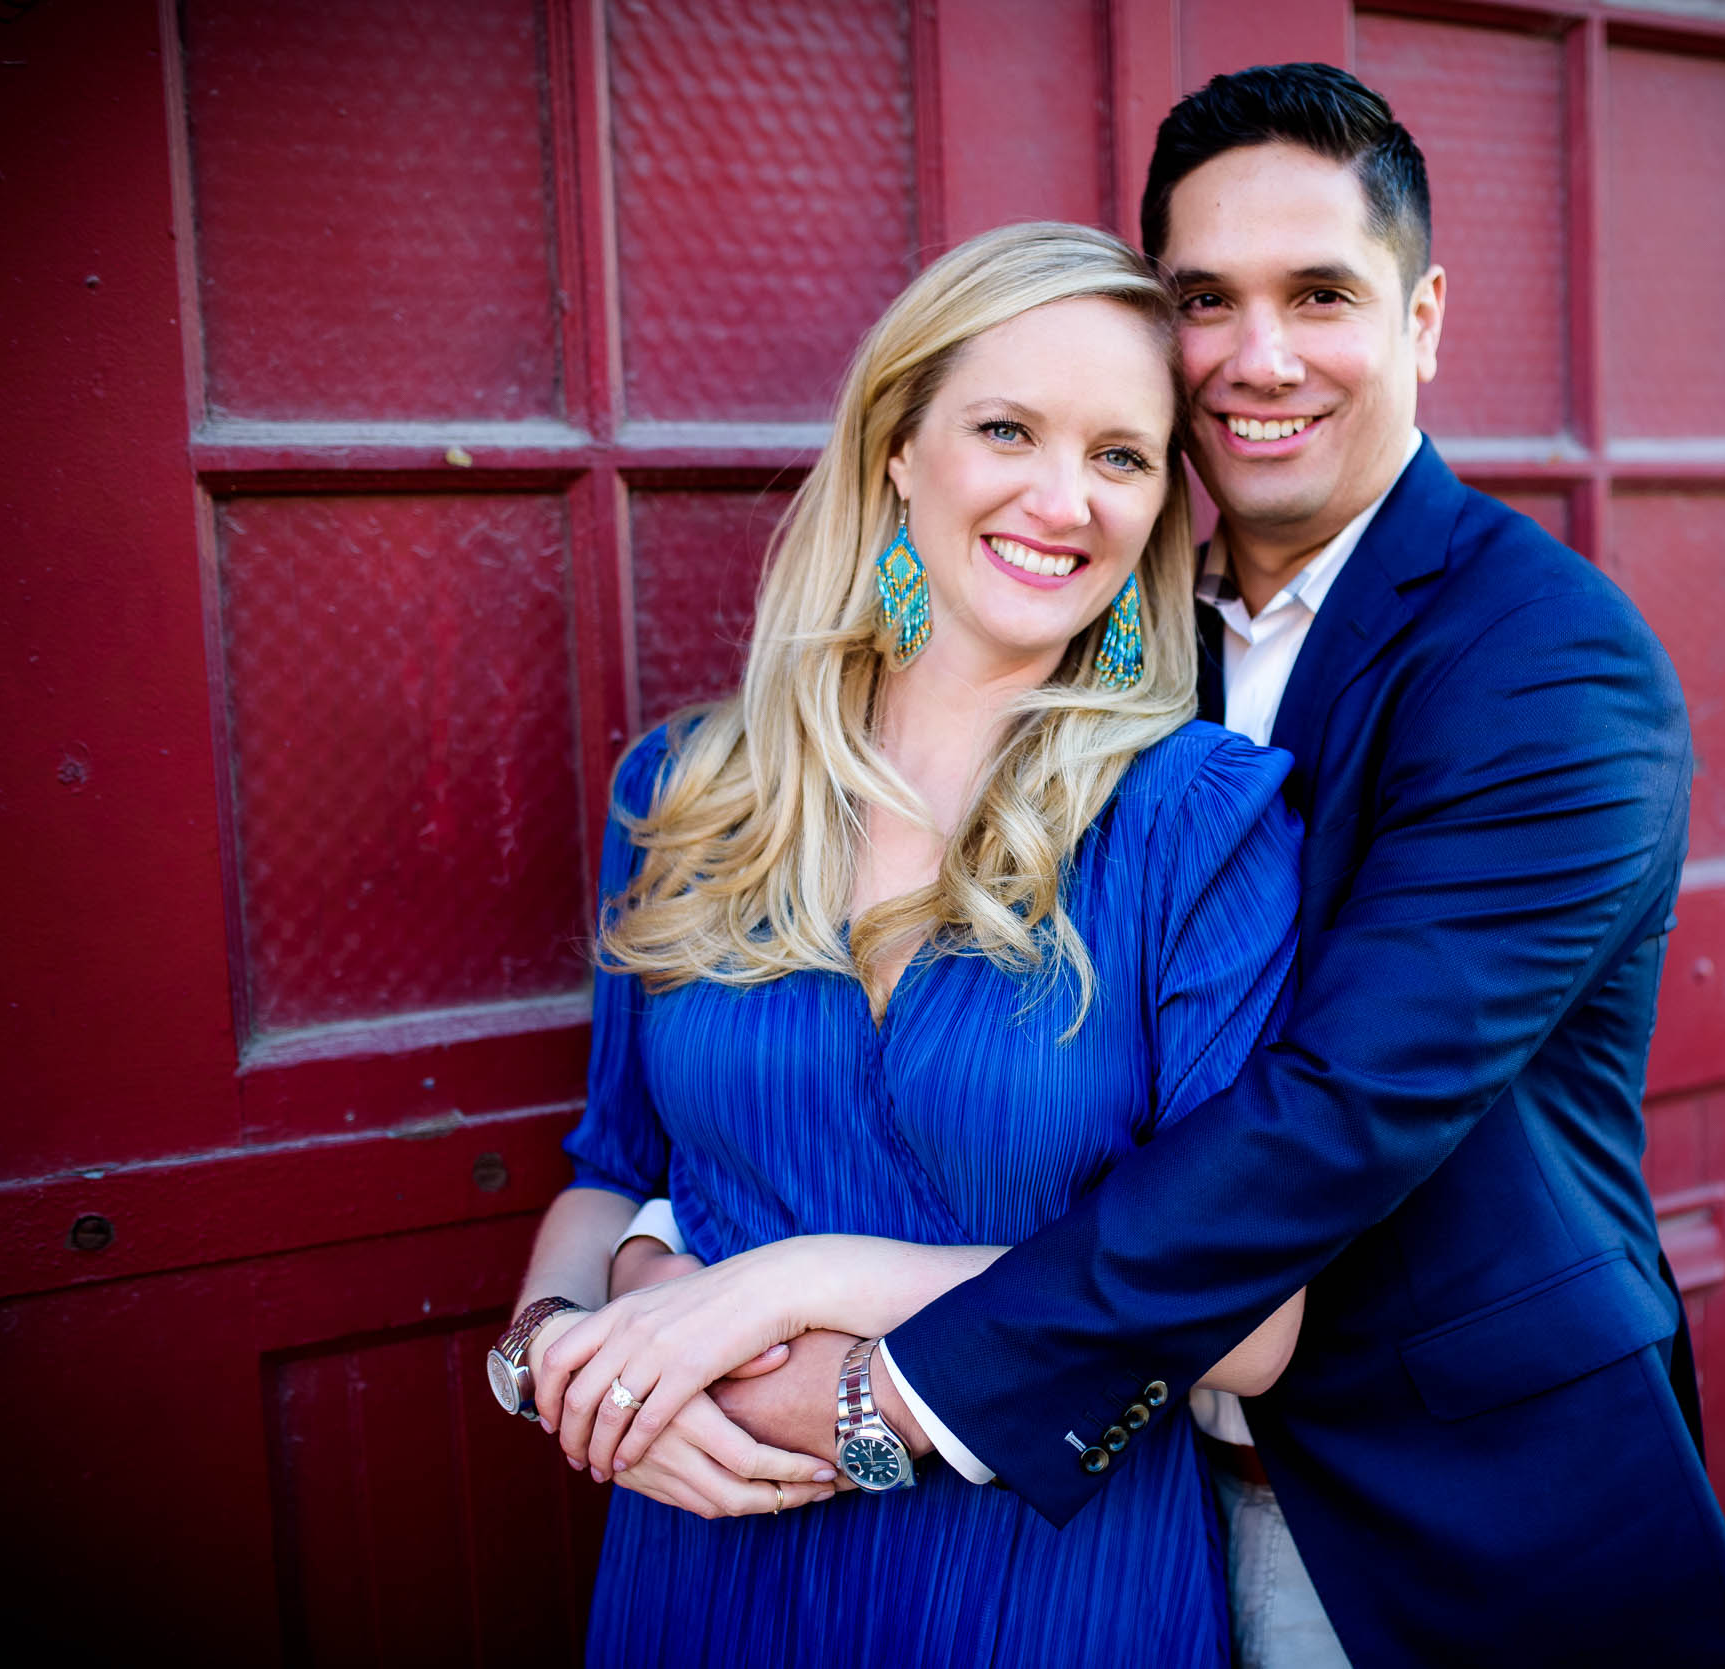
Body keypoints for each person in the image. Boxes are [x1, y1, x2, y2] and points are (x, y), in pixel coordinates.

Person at [545, 64, 1725, 1668]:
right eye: (1209, 298)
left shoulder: (1544, 660)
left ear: (1420, 320)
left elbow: (1332, 1113)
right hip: (1099, 1489)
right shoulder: (1093, 648)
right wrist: (618, 1292)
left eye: (1321, 293)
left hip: (1416, 1510)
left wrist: (847, 1370)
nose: (1261, 355)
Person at [497, 220, 1312, 1666]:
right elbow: (611, 1171)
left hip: (1050, 1586)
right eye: (1007, 428)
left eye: (1122, 455)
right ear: (898, 450)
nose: (1064, 500)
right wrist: (569, 1366)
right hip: (700, 1571)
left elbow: (1247, 1319)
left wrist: (794, 1274)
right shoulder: (686, 789)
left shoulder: (1201, 821)